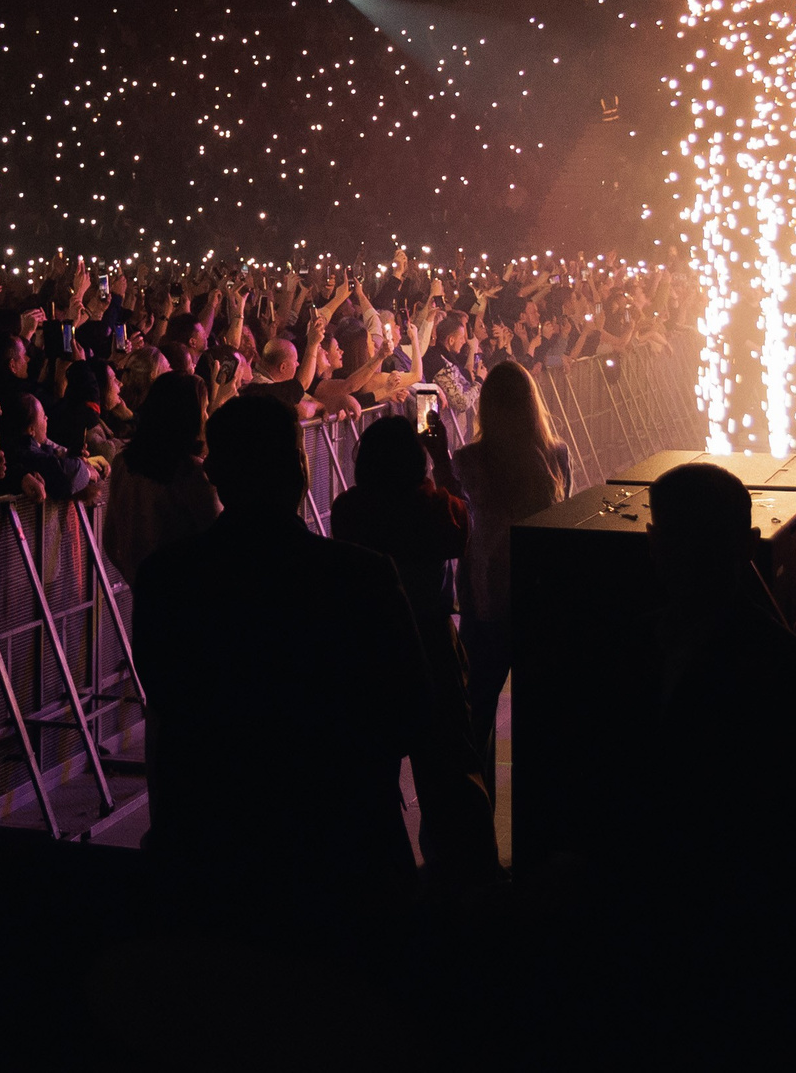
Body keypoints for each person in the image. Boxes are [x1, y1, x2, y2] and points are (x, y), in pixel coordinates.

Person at [133, 393, 431, 900]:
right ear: (299, 466)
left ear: (217, 474)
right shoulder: (362, 577)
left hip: (213, 859)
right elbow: (411, 712)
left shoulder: (167, 579)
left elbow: (169, 697)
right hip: (343, 856)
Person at [643, 461, 796, 910]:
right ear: (748, 547)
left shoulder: (630, 649)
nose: (687, 557)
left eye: (700, 543)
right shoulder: (785, 664)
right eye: (678, 539)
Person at [329, 414, 499, 886]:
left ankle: (385, 878)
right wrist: (443, 462)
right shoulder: (430, 506)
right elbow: (464, 522)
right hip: (430, 640)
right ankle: (468, 874)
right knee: (452, 768)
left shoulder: (349, 510)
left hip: (370, 645)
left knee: (374, 769)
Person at [449, 360, 572, 804]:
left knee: (477, 706)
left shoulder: (469, 459)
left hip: (484, 584)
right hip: (534, 583)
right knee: (541, 710)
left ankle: (477, 823)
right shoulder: (555, 454)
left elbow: (457, 508)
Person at [100, 371, 217, 585]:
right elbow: (222, 543)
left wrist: (137, 583)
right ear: (188, 416)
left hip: (147, 600)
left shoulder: (123, 463)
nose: (207, 417)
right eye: (205, 409)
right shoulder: (193, 475)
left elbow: (110, 541)